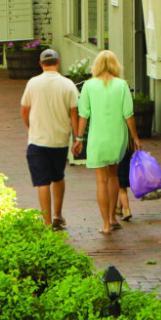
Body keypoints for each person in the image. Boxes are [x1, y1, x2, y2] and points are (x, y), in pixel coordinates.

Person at [72, 50, 141, 235]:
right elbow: (128, 114)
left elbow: (83, 114)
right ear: (115, 65)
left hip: (97, 138)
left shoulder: (88, 86)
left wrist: (79, 138)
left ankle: (105, 225)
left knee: (100, 181)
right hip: (117, 138)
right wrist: (135, 138)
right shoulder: (122, 85)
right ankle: (112, 218)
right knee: (113, 177)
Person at [19, 49, 79, 230]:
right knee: (58, 176)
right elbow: (74, 113)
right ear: (58, 62)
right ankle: (57, 215)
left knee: (42, 181)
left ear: (41, 64)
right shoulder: (67, 85)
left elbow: (24, 109)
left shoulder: (33, 83)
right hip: (60, 140)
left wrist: (29, 127)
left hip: (38, 140)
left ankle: (46, 223)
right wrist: (77, 138)